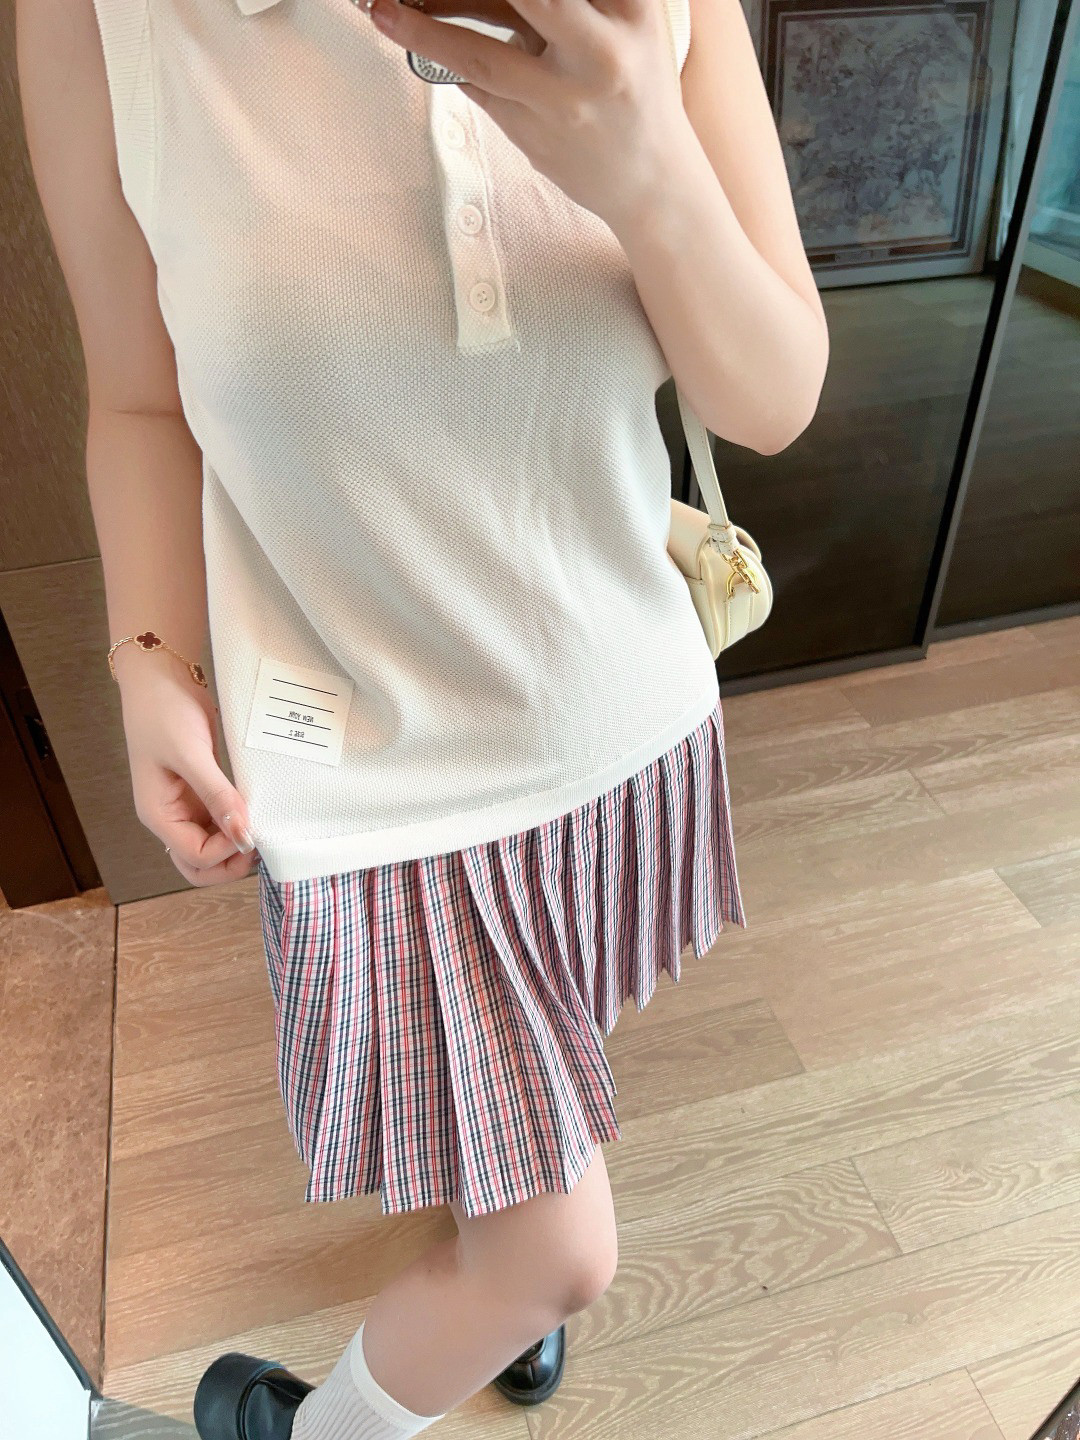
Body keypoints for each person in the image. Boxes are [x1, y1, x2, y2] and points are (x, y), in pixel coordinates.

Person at [16, 0, 828, 1429]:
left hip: (615, 718)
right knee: (554, 1255)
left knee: (547, 1055)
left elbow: (772, 398)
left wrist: (641, 159)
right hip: (375, 782)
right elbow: (140, 398)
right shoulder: (100, 20)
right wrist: (150, 662)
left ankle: (493, 1209)